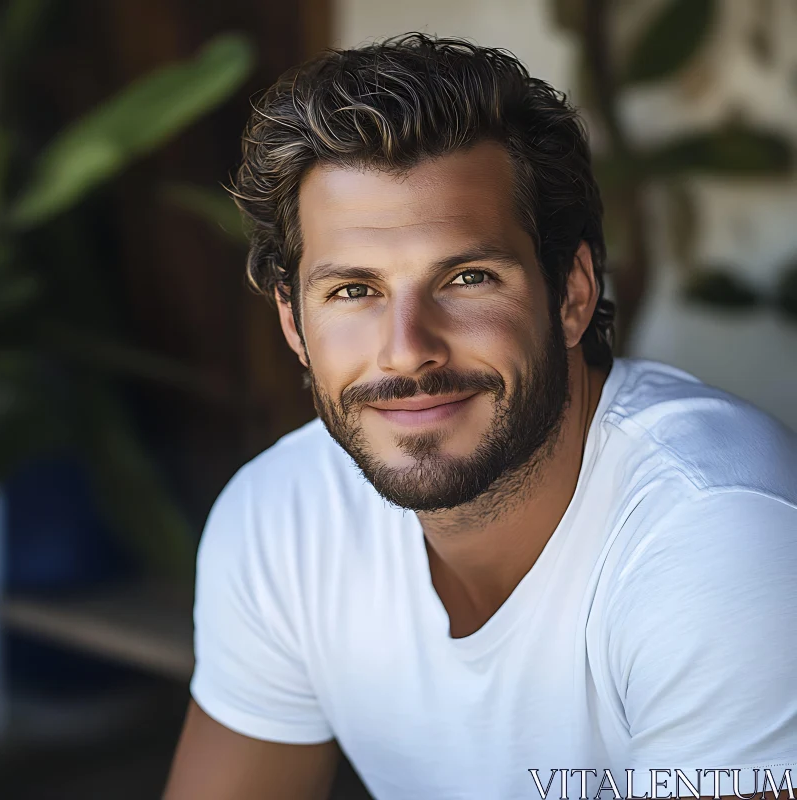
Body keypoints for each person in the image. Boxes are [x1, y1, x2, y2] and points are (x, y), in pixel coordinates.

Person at [164, 34, 797, 800]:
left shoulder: (716, 536)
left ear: (571, 293)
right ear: (295, 325)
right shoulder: (284, 517)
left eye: (467, 278)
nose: (407, 352)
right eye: (354, 291)